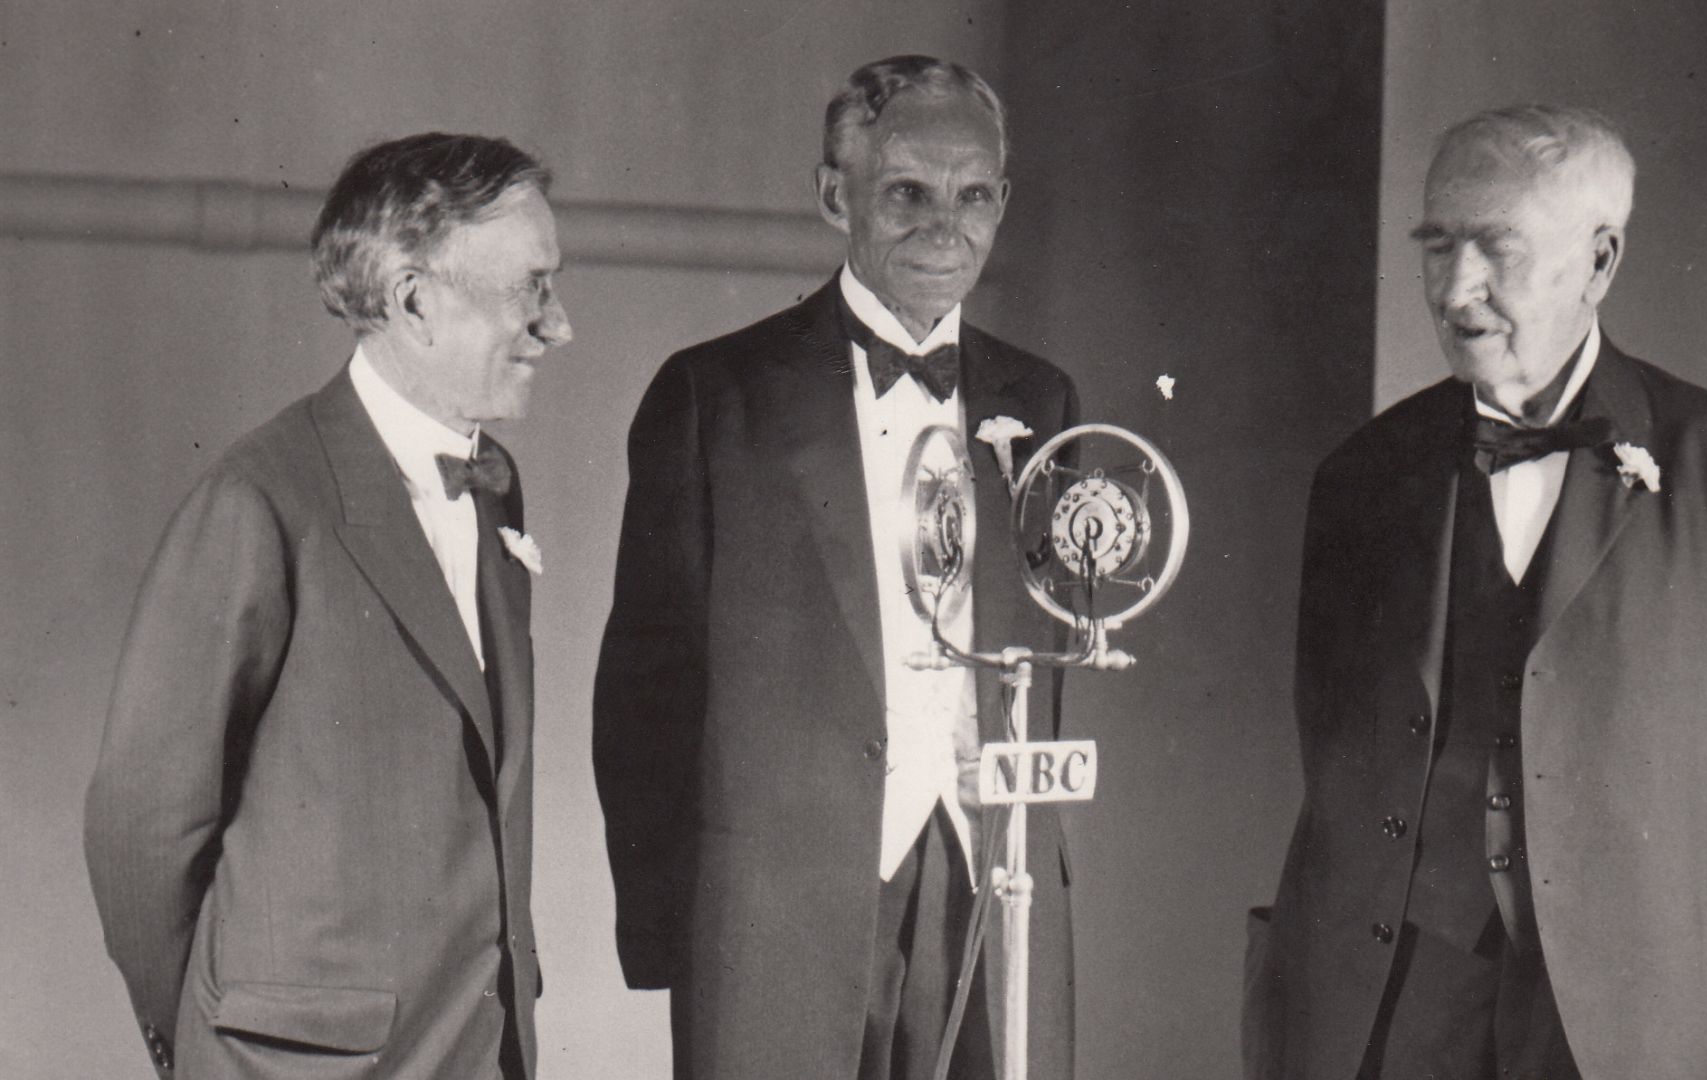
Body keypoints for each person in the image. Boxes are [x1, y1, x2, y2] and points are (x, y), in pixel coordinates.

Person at [1243, 105, 1707, 1080]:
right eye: (1438, 247)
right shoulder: (1364, 472)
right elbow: (1336, 739)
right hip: (1401, 992)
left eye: (1497, 251)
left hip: (1635, 1012)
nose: (1457, 289)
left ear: (1600, 261)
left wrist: (1674, 960)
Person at [592, 54, 1077, 1080]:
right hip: (770, 910)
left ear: (1004, 203)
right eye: (906, 191)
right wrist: (667, 930)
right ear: (832, 195)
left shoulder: (1043, 401)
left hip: (986, 883)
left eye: (973, 194)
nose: (945, 226)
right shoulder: (713, 397)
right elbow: (644, 690)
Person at [84, 132, 571, 1079]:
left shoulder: (495, 488)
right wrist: (215, 1038)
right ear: (414, 302)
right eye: (532, 289)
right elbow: (141, 826)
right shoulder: (258, 501)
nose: (558, 326)